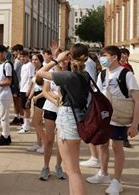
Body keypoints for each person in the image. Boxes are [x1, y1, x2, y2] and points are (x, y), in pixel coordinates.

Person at [36, 43, 92, 195]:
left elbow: (40, 73)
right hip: (76, 117)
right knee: (73, 169)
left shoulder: (70, 76)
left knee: (73, 171)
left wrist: (55, 59)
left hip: (68, 118)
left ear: (70, 57)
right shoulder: (84, 75)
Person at [86, 46, 139, 194]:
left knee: (117, 148)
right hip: (104, 118)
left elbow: (138, 100)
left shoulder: (126, 74)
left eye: (104, 55)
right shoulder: (102, 74)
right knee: (102, 145)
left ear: (114, 57)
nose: (102, 59)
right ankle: (103, 174)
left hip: (119, 117)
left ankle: (117, 182)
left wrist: (135, 125)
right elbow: (98, 96)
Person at [40, 53, 67, 181]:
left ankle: (58, 166)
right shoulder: (50, 72)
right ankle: (46, 167)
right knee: (49, 140)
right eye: (62, 59)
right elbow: (45, 91)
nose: (64, 61)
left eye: (66, 59)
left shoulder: (72, 72)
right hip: (51, 108)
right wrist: (54, 99)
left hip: (65, 110)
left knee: (61, 141)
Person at [0, 45, 13, 146]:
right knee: (2, 116)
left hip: (5, 93)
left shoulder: (7, 65)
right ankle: (5, 135)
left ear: (5, 53)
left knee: (4, 116)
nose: (0, 54)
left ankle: (5, 137)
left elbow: (9, 81)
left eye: (2, 52)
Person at [26, 54, 45, 152]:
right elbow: (34, 86)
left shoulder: (44, 71)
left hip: (42, 97)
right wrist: (29, 98)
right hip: (36, 97)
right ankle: (39, 143)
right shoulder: (36, 71)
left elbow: (45, 88)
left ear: (41, 60)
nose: (34, 61)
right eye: (33, 59)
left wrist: (36, 97)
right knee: (38, 123)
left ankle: (46, 144)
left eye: (36, 59)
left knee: (35, 122)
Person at [17, 50, 35, 134]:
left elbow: (32, 78)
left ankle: (27, 126)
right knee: (23, 108)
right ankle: (25, 124)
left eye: (24, 56)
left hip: (26, 89)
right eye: (21, 56)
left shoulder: (30, 65)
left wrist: (29, 89)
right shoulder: (23, 65)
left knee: (26, 108)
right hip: (22, 89)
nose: (22, 58)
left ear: (27, 56)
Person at [10, 44, 24, 126]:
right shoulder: (18, 60)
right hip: (17, 83)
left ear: (18, 51)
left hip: (17, 83)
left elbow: (14, 71)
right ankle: (17, 117)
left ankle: (20, 118)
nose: (13, 53)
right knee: (16, 102)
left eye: (14, 51)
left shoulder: (18, 61)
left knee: (18, 102)